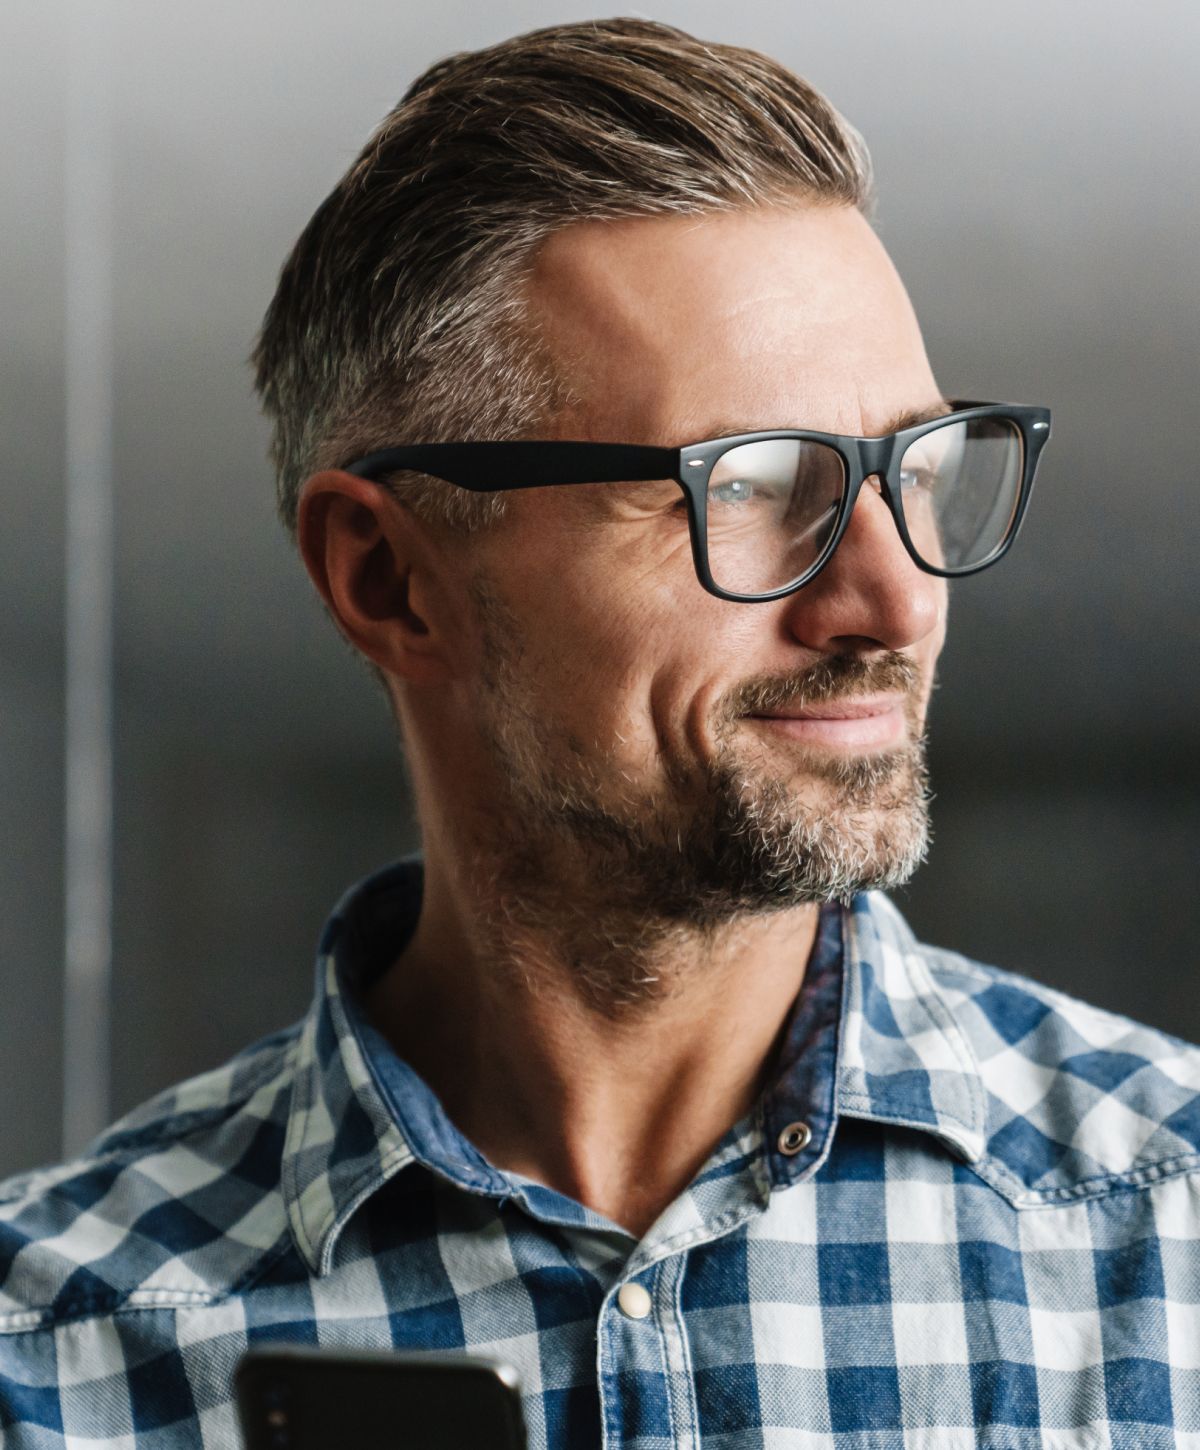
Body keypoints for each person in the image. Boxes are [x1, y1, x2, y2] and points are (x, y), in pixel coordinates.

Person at [1, 18, 1197, 1447]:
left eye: (917, 469)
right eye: (752, 483)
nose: (893, 598)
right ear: (391, 579)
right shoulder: (48, 1350)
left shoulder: (1172, 1242)